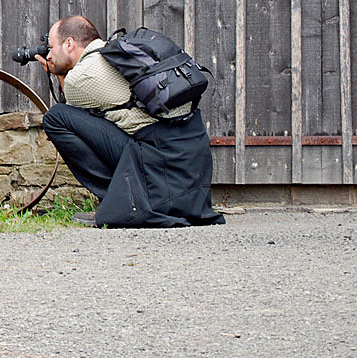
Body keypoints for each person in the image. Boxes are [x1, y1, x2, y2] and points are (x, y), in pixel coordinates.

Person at [35, 15, 224, 228]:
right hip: (190, 158)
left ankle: (122, 200)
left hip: (159, 155)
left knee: (56, 117)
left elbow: (73, 114)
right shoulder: (122, 54)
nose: (49, 55)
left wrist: (59, 74)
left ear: (69, 44)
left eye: (51, 47)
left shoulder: (81, 77)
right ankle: (124, 197)